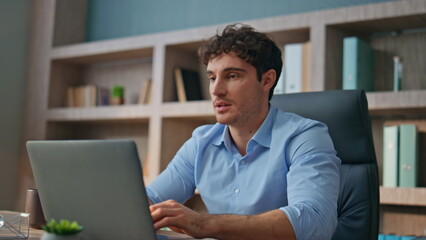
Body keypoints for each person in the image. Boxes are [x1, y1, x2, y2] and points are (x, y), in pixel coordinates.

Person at [147, 23, 340, 240]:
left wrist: (204, 223)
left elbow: (314, 221)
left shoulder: (305, 137)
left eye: (232, 76)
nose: (216, 90)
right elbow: (150, 198)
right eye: (212, 77)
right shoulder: (200, 143)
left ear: (267, 80)